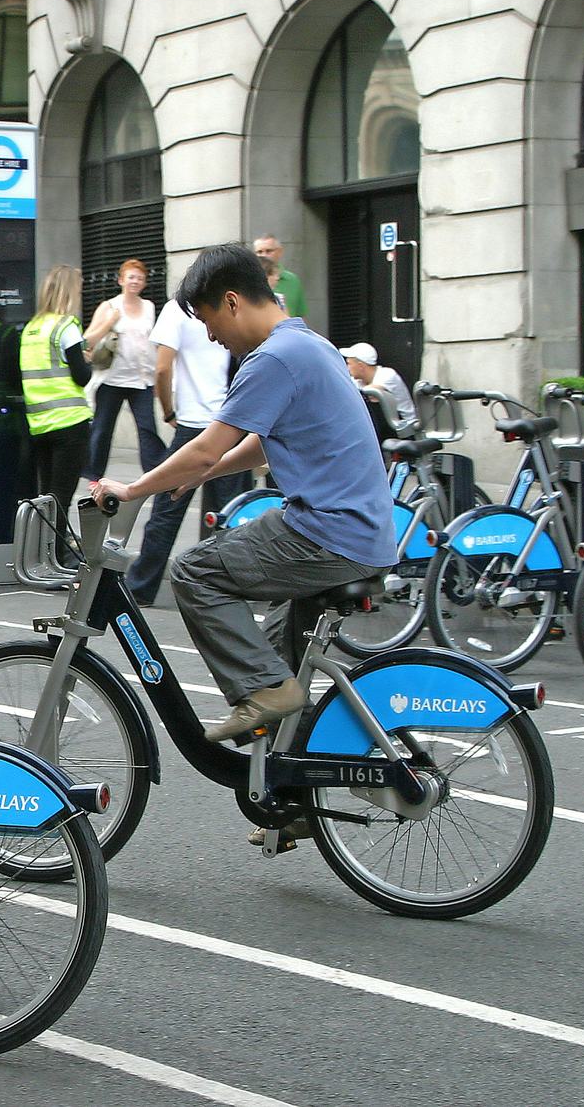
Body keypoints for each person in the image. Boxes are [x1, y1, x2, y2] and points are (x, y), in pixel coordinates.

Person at [93, 243, 394, 758]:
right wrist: (200, 472)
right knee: (278, 652)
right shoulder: (309, 343)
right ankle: (293, 794)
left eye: (209, 321)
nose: (210, 336)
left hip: (326, 531)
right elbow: (255, 441)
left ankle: (265, 691)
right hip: (359, 531)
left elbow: (209, 443)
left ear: (231, 302)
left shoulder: (273, 358)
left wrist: (134, 489)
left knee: (195, 571)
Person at [123, 296, 251, 606]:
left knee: (168, 507)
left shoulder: (176, 310)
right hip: (231, 421)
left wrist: (168, 411)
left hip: (193, 422)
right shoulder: (235, 306)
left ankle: (141, 586)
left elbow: (163, 369)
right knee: (227, 514)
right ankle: (220, 584)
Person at [20, 265, 92, 551]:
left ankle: (40, 552)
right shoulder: (67, 327)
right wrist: (87, 360)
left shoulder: (31, 329)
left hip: (39, 423)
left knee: (46, 495)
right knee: (62, 495)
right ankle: (58, 556)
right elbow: (81, 376)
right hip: (70, 422)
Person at [82, 258, 166, 481]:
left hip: (142, 380)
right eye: (131, 277)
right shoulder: (109, 306)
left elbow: (153, 343)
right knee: (102, 429)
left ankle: (155, 471)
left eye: (140, 278)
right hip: (113, 379)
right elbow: (87, 341)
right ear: (121, 280)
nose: (135, 281)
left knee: (147, 428)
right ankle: (93, 474)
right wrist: (108, 322)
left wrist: (158, 374)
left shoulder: (149, 307)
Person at [340, 342, 415, 429]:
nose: (347, 367)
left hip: (405, 428)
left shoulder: (387, 374)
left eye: (349, 364)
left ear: (360, 366)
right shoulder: (358, 381)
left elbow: (372, 394)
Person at [253, 234, 306, 317]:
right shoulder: (247, 281)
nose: (264, 255)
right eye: (259, 252)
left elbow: (300, 315)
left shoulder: (293, 280)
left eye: (269, 251)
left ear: (280, 252)